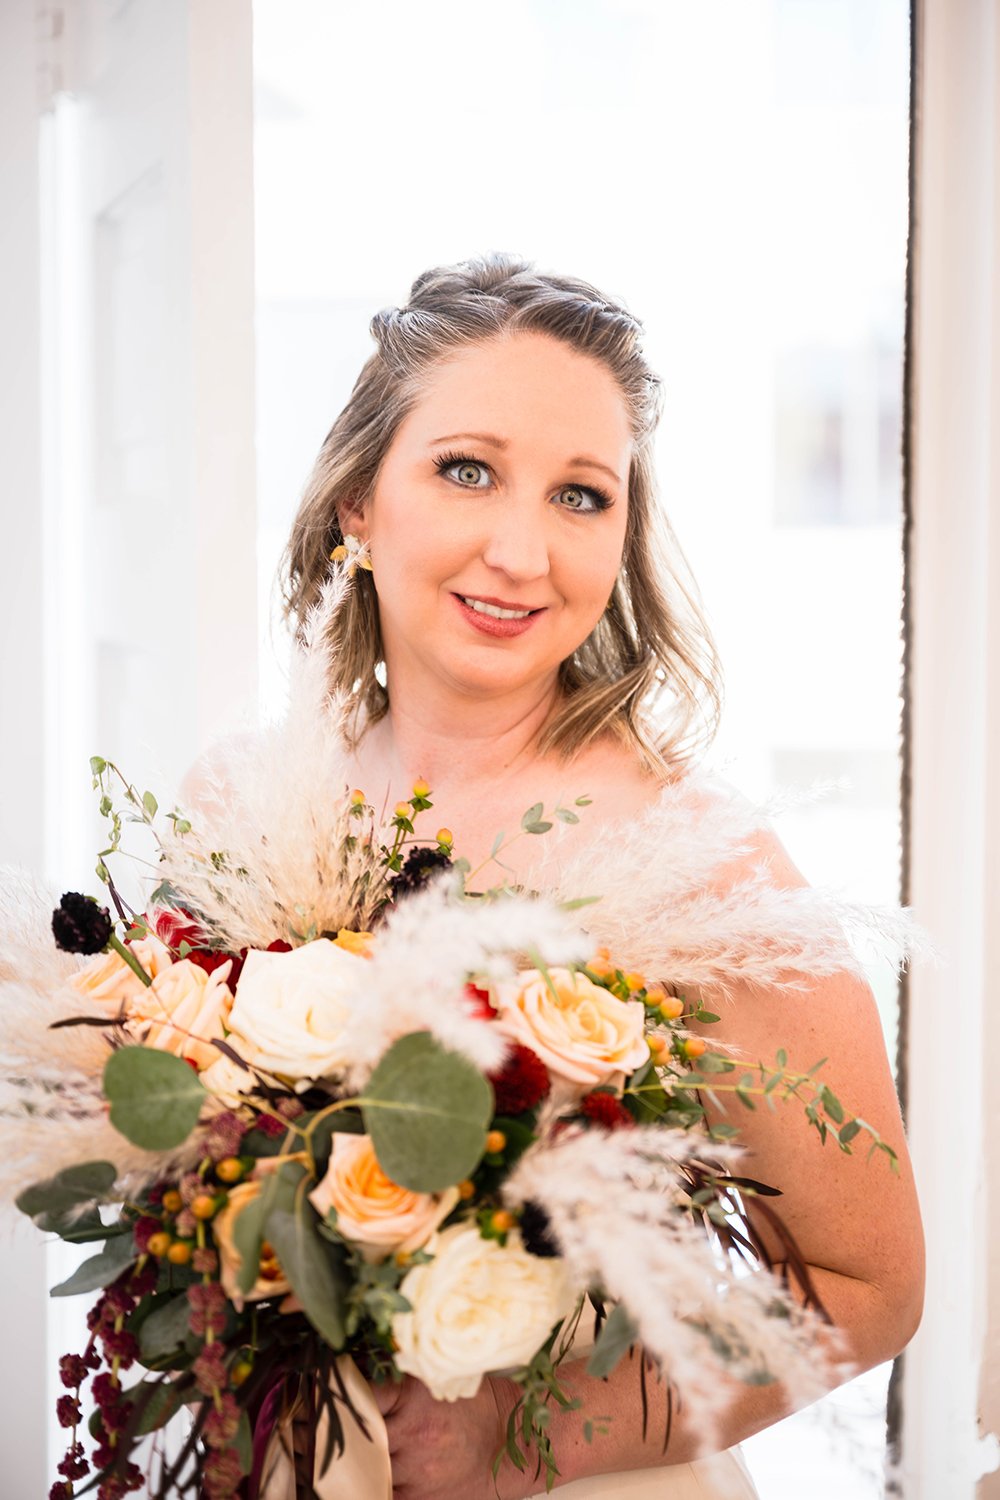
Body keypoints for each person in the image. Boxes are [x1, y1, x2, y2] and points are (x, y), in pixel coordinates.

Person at [258, 252, 924, 1498]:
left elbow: (869, 1289)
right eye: (468, 470)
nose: (521, 550)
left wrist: (526, 1438)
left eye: (580, 496)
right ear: (358, 501)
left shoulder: (702, 866)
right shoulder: (250, 808)